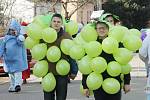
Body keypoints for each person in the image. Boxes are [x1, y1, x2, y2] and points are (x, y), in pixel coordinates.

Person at [82, 21, 131, 100]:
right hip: (97, 82)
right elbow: (86, 67)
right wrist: (85, 86)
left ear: (108, 30)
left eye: (103, 28)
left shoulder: (116, 43)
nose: (101, 30)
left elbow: (124, 63)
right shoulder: (92, 45)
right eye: (99, 28)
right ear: (96, 30)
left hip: (114, 82)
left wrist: (127, 82)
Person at [43, 13, 77, 100]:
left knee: (61, 97)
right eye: (54, 21)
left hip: (62, 72)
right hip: (48, 71)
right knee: (48, 97)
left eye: (58, 21)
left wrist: (74, 70)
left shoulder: (66, 36)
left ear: (61, 23)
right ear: (51, 23)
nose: (56, 23)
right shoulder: (44, 35)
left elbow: (71, 54)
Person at [0, 19, 28, 92]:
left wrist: (18, 35)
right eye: (11, 30)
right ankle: (12, 85)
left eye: (14, 30)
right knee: (11, 74)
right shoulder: (5, 39)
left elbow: (21, 42)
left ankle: (17, 85)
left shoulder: (18, 38)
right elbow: (2, 48)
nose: (12, 31)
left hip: (17, 60)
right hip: (8, 60)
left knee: (18, 73)